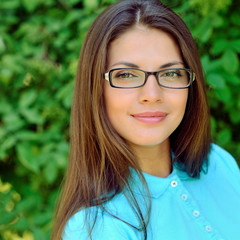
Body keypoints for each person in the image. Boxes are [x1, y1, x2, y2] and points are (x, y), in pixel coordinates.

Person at [51, 0, 240, 239]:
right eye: (126, 75)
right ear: (95, 89)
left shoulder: (217, 163)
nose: (152, 95)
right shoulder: (97, 228)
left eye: (171, 73)